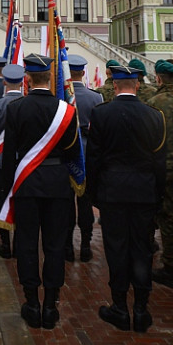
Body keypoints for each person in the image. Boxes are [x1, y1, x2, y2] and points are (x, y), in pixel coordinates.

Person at [0, 54, 80, 330]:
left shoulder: (17, 108)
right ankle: (51, 305)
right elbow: (72, 151)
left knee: (27, 243)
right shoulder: (66, 110)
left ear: (27, 79)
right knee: (55, 245)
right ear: (50, 78)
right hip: (57, 183)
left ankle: (32, 301)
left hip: (26, 182)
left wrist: (7, 186)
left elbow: (9, 153)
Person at [86, 64, 166, 333]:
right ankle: (141, 310)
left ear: (115, 85)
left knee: (117, 249)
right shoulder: (155, 116)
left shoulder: (101, 114)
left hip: (113, 191)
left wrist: (94, 193)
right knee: (142, 249)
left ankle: (119, 307)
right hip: (144, 191)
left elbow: (94, 160)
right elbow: (159, 163)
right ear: (138, 85)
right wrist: (157, 195)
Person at [65, 54, 103, 262]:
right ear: (82, 72)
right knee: (85, 201)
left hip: (68, 152)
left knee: (68, 203)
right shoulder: (96, 97)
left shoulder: (62, 96)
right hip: (88, 153)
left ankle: (69, 245)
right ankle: (86, 244)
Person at [148, 60, 173, 289]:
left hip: (166, 170)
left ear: (158, 78)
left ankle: (171, 267)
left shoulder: (154, 103)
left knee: (168, 217)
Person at [0, 63, 24, 259]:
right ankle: (19, 243)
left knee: (2, 199)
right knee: (21, 201)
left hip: (2, 161)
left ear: (4, 81)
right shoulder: (26, 103)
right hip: (25, 162)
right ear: (21, 82)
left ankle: (5, 242)